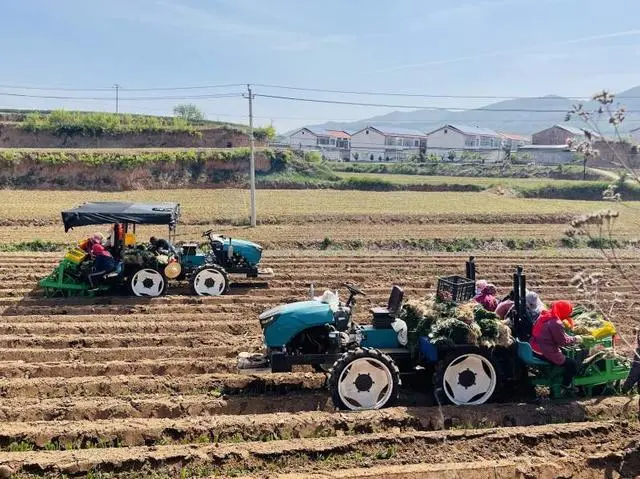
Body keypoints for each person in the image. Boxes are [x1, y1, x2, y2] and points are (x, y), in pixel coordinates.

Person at [530, 300, 582, 391]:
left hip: (534, 345)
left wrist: (569, 337)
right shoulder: (556, 323)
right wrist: (575, 339)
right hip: (544, 350)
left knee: (564, 356)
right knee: (572, 364)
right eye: (568, 312)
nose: (569, 314)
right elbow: (562, 342)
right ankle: (566, 385)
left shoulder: (545, 315)